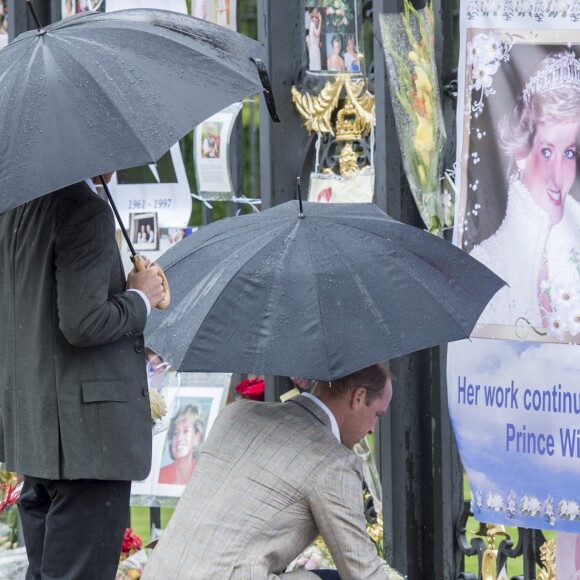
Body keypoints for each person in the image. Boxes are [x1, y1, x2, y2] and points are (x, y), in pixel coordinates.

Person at [0, 175, 166, 579]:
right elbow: (83, 323)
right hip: (89, 445)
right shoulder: (85, 211)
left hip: (37, 434)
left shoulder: (15, 209)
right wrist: (140, 296)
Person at [142, 363, 403, 579]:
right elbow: (362, 572)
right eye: (377, 414)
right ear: (358, 397)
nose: (372, 429)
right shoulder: (333, 463)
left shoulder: (237, 413)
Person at [469, 50, 580, 335]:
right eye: (546, 151)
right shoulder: (486, 263)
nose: (558, 176)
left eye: (569, 152)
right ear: (521, 152)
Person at [158, 404, 205, 485]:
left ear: (197, 437)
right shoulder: (160, 476)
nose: (179, 438)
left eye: (186, 431)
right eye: (176, 433)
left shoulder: (202, 478)